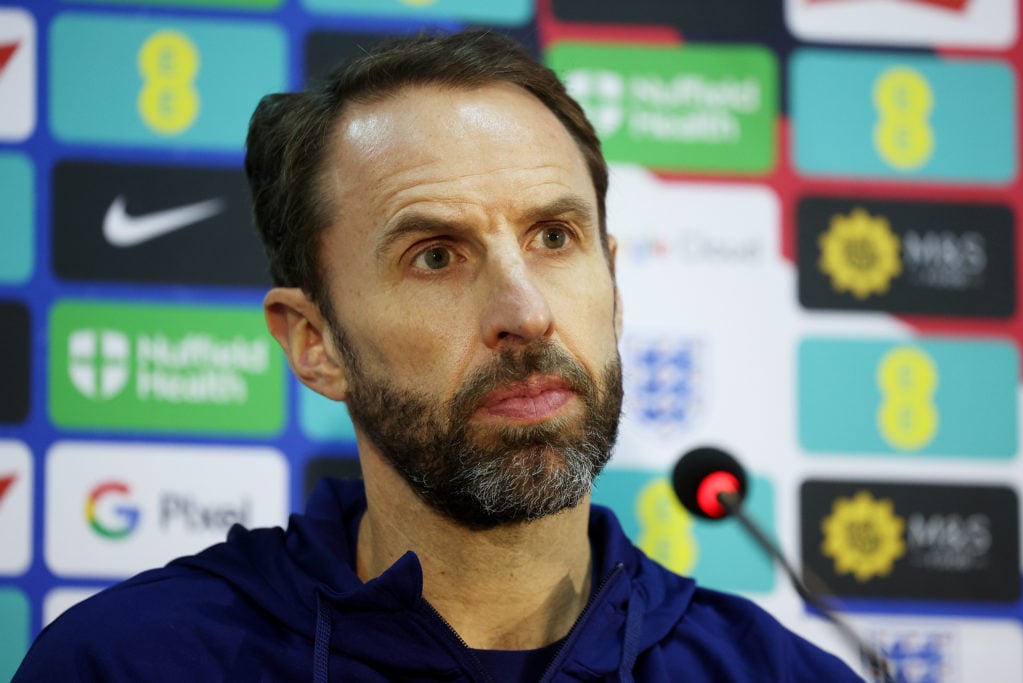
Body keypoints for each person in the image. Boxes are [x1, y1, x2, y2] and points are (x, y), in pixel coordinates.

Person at [15, 30, 864, 682]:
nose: (525, 313)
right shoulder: (133, 662)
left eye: (555, 237)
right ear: (316, 343)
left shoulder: (776, 672)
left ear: (613, 278)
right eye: (436, 256)